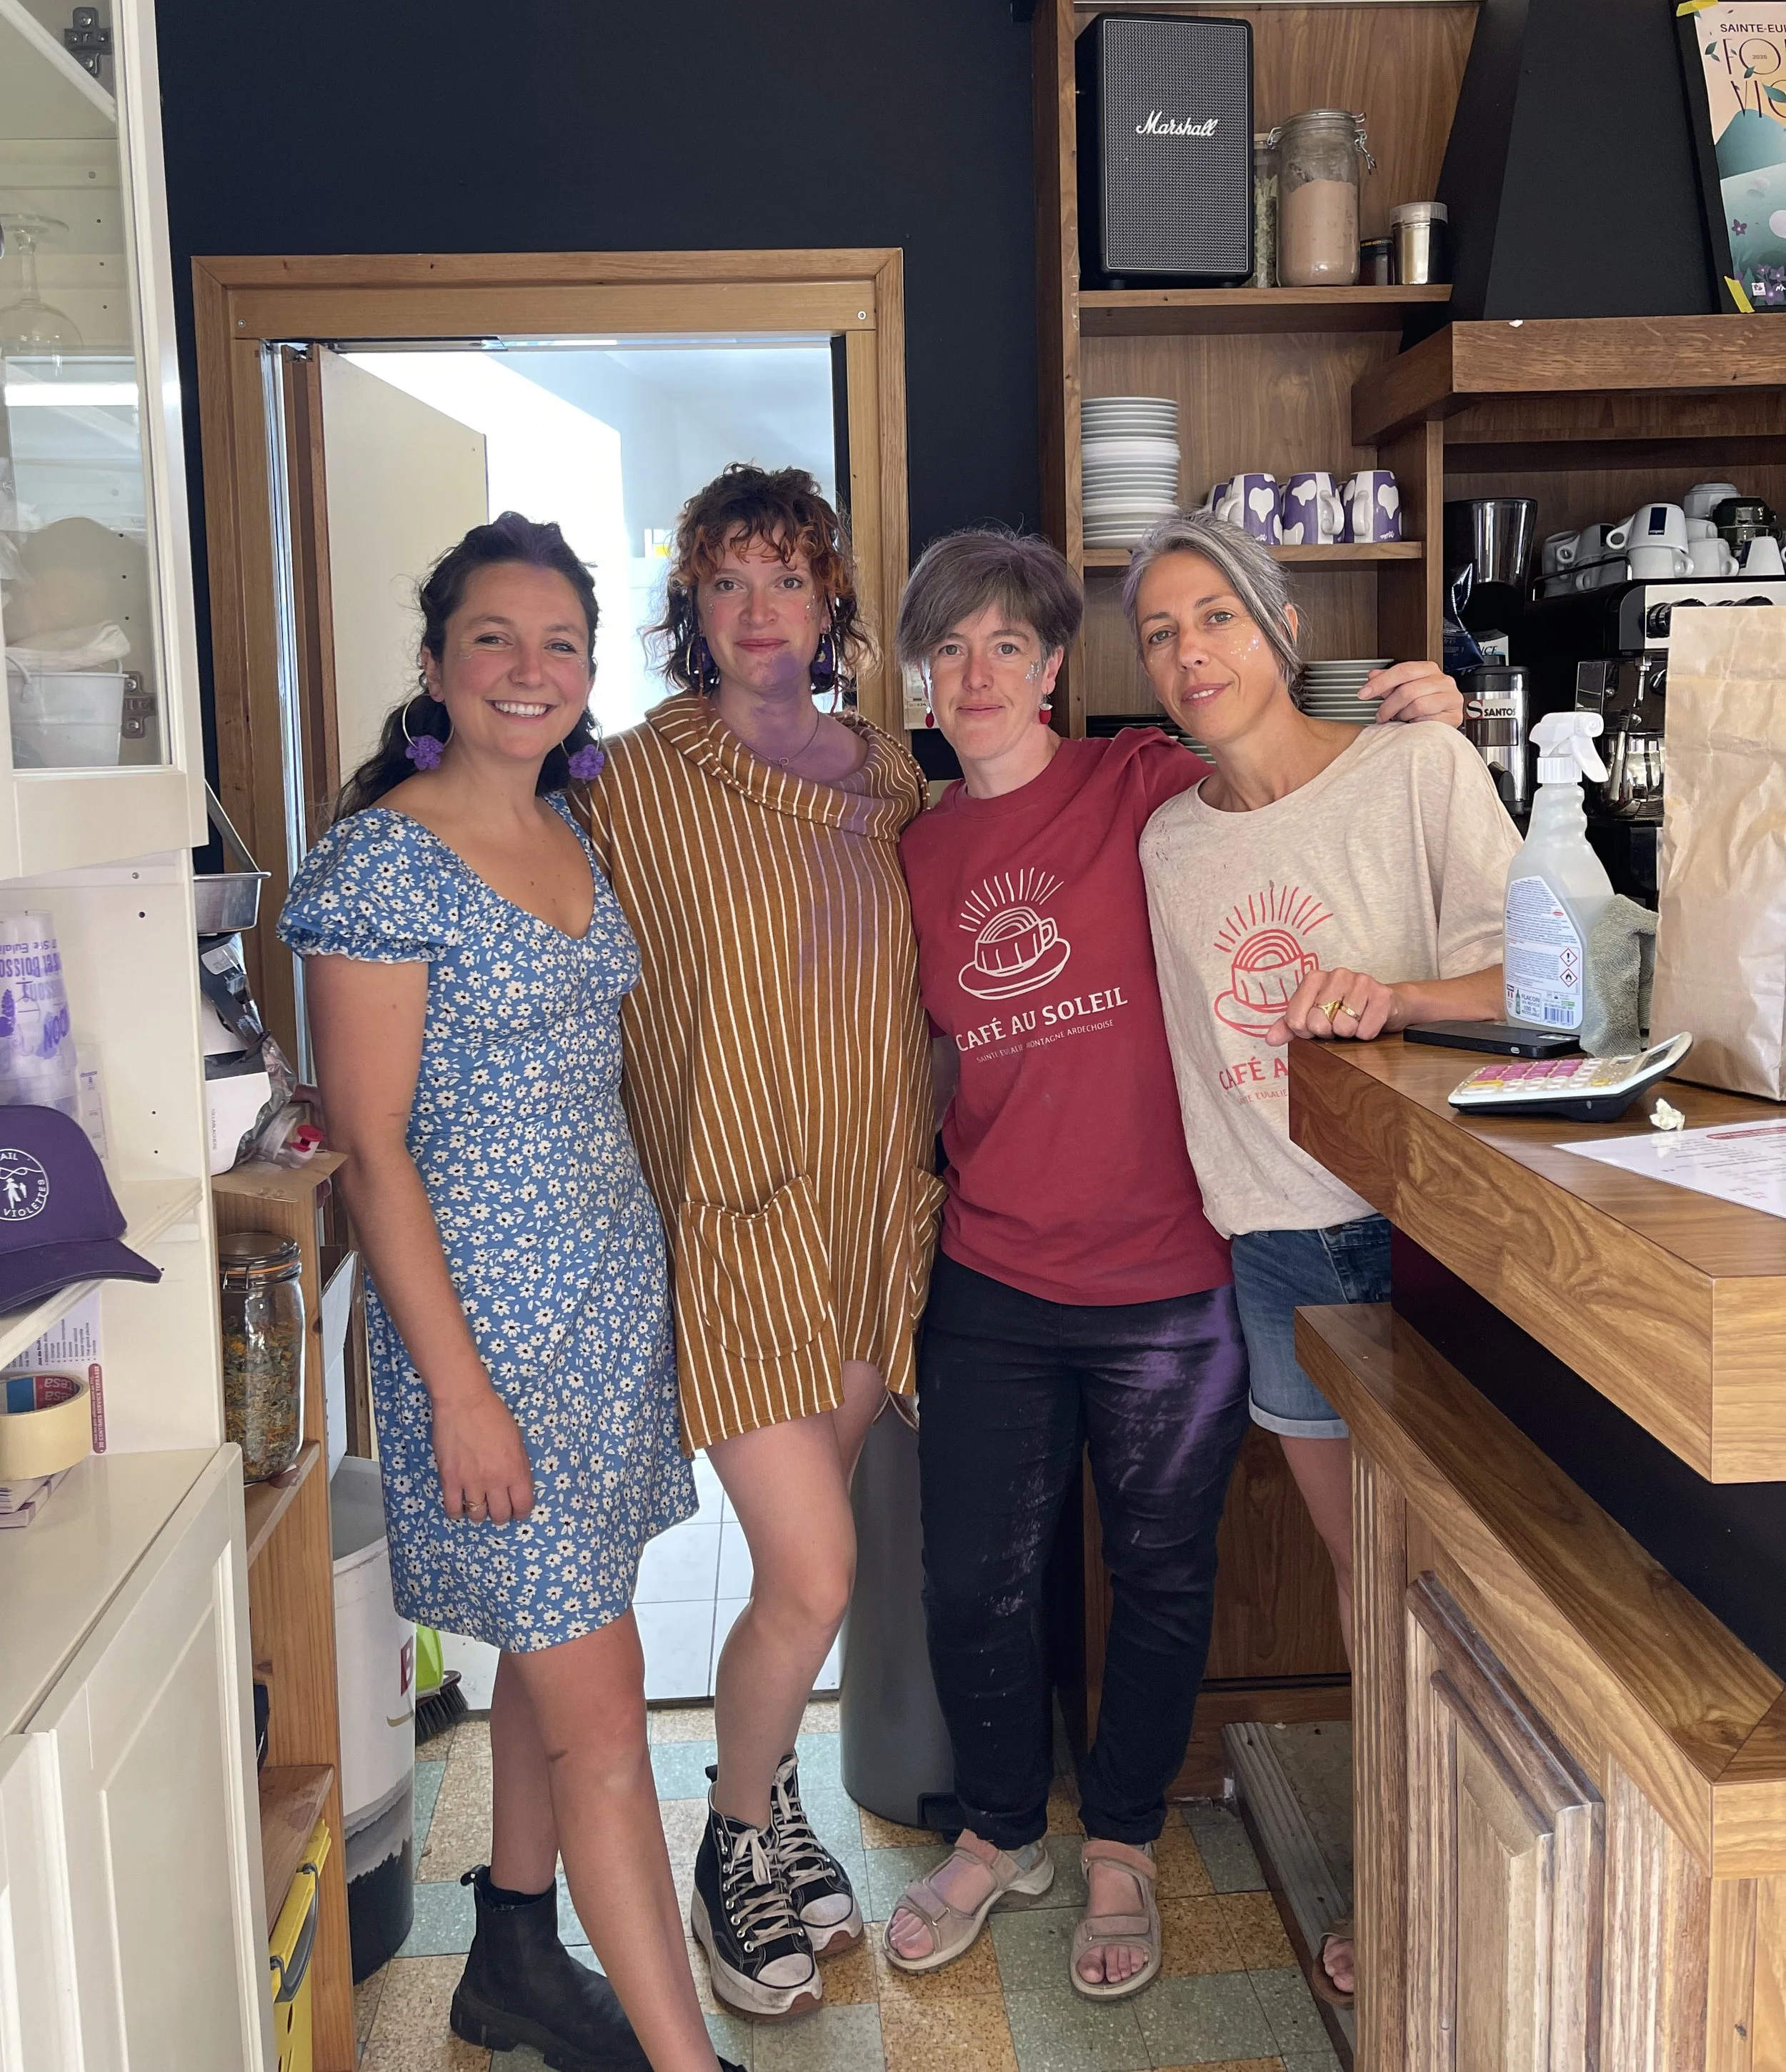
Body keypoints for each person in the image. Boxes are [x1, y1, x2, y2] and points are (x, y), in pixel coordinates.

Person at [884, 527, 1462, 2003]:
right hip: (994, 1274)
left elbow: (1274, 752)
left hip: (1171, 1273)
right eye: (947, 650)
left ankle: (1125, 1839)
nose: (978, 673)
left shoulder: (1139, 784)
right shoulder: (915, 848)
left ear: (1056, 666)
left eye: (1007, 643)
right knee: (974, 1583)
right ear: (920, 680)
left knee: (1154, 1574)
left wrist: (1424, 710)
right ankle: (1002, 1827)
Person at [279, 513, 739, 2072]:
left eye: (558, 643)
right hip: (483, 1338)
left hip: (599, 1313)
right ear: (434, 663)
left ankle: (517, 1962)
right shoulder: (381, 860)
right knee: (607, 1728)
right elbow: (371, 1152)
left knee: (575, 1648)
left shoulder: (570, 830)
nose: (528, 670)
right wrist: (458, 1390)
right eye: (494, 637)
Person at [1129, 507, 1518, 2003]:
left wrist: (1393, 995)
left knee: (1464, 1588)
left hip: (1423, 1234)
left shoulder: (1414, 763)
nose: (1187, 651)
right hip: (1276, 1252)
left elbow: (1549, 981)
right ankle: (1396, 1878)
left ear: (1277, 624)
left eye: (1212, 615)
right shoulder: (1165, 836)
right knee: (1370, 1585)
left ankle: (1469, 1891)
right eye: (1159, 632)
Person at [574, 466, 942, 2023]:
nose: (756, 611)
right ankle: (733, 1841)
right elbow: (486, 853)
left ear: (830, 603)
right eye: (726, 582)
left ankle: (770, 1793)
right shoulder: (632, 777)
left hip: (868, 1211)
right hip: (725, 1217)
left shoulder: (888, 773)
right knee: (814, 1565)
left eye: (786, 579)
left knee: (811, 1576)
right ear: (690, 608)